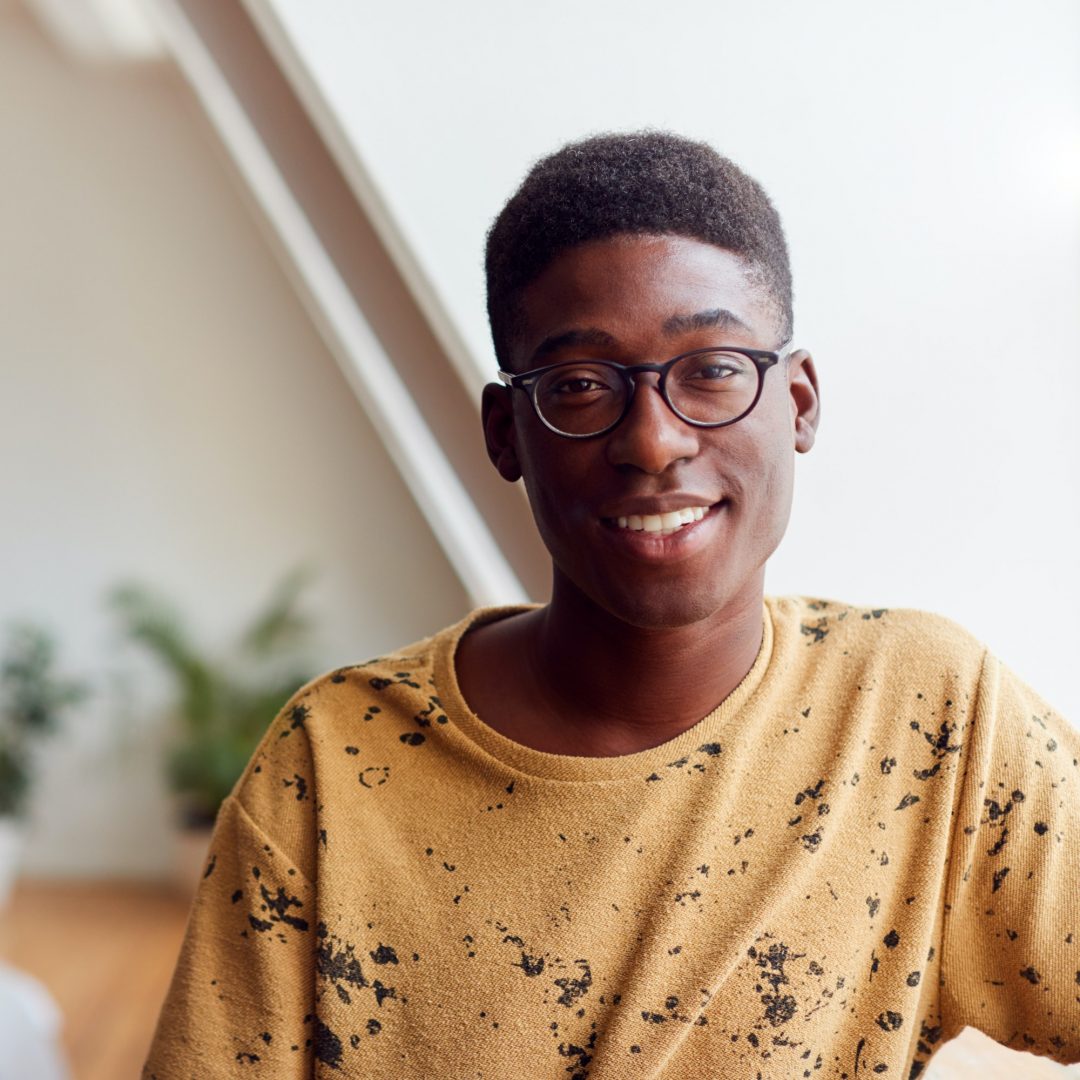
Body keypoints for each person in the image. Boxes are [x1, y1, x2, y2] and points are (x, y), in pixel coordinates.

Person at [143, 132, 1079, 1079]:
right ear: (508, 434)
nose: (655, 441)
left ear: (798, 403)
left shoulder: (921, 714)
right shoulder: (335, 762)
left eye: (711, 368)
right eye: (583, 386)